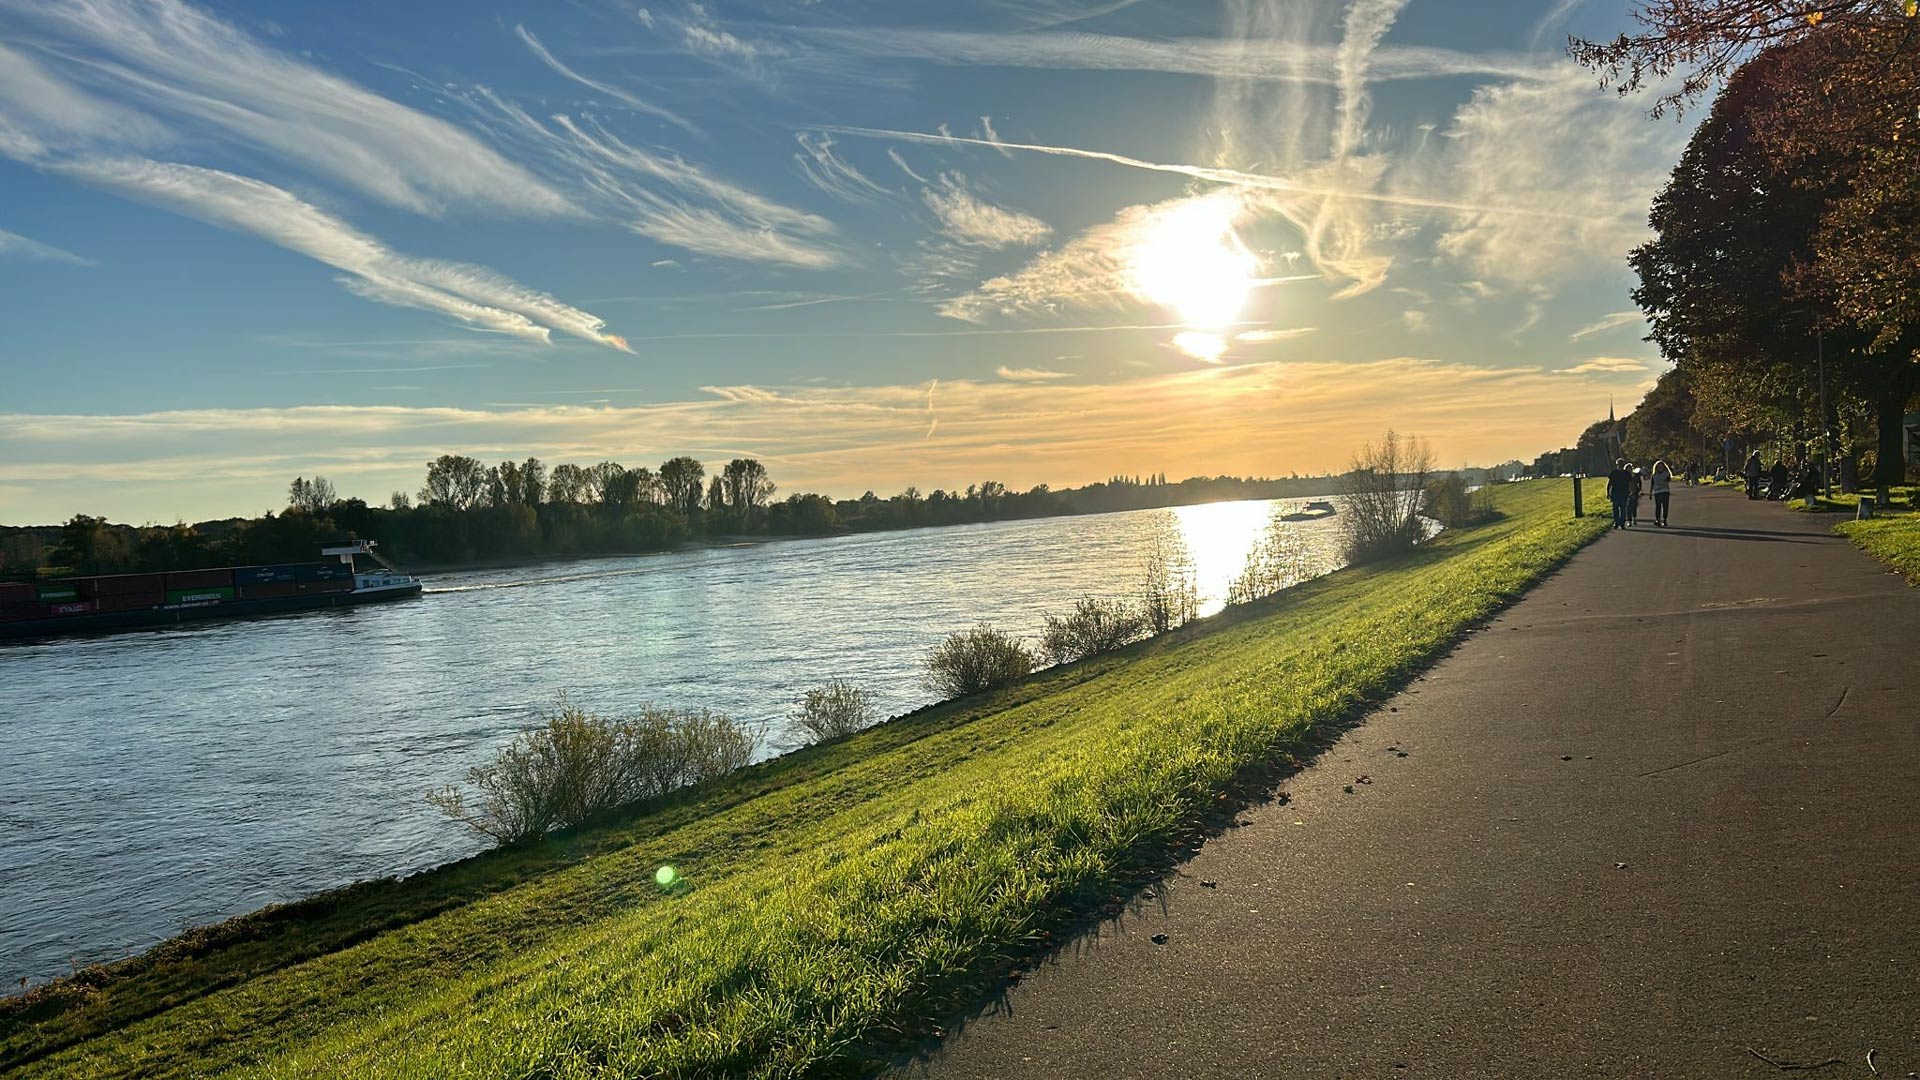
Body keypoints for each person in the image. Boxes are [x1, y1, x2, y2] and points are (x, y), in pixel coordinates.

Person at [1605, 457, 1632, 530]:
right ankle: (1616, 522)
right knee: (1615, 509)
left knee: (1623, 509)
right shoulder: (1613, 473)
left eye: (1621, 464)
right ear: (1617, 465)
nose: (1620, 466)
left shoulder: (1627, 474)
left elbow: (1630, 483)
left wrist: (1632, 491)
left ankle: (1622, 523)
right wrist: (1608, 492)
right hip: (1615, 493)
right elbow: (1609, 484)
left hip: (1624, 493)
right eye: (1619, 464)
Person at [1650, 459, 1673, 526]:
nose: (1660, 468)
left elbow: (1667, 481)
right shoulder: (1654, 475)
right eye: (1658, 467)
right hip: (1657, 492)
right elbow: (1652, 484)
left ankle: (1665, 519)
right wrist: (1650, 493)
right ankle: (1658, 519)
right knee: (1658, 506)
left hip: (1665, 491)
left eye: (1661, 467)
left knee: (1665, 506)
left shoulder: (1666, 473)